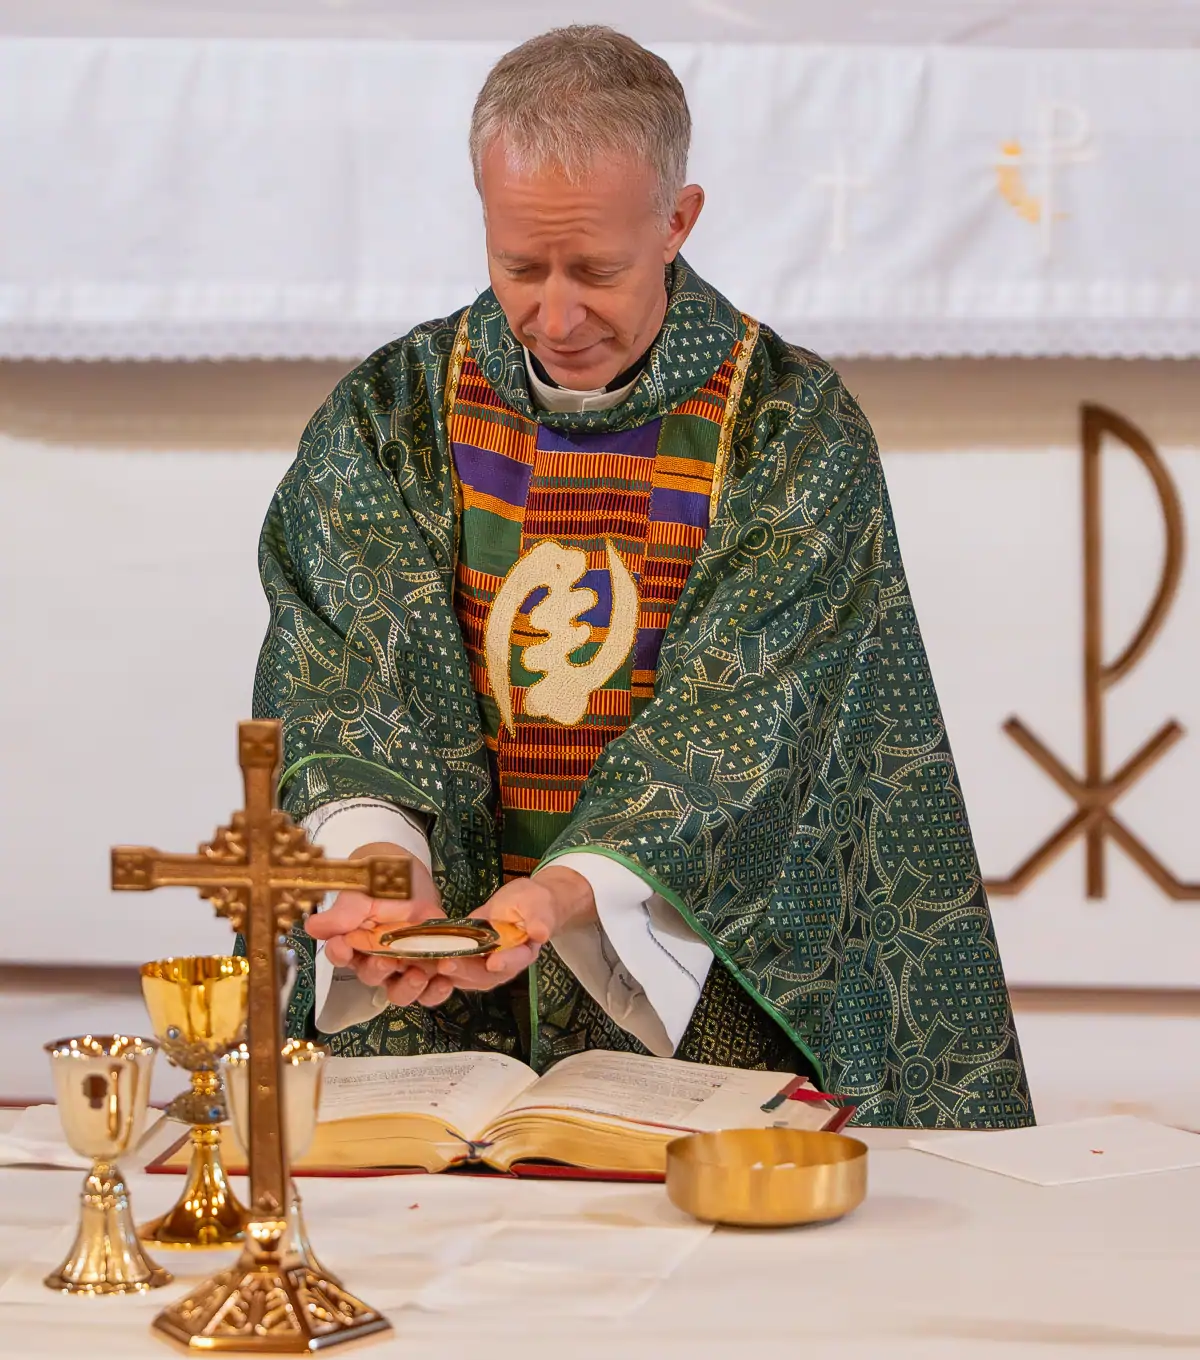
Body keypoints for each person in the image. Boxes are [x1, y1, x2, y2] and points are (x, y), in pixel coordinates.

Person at [255, 24, 1033, 1128]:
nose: (558, 315)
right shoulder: (392, 416)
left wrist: (562, 900)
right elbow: (344, 667)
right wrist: (381, 870)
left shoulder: (785, 429)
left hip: (695, 970)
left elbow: (746, 724)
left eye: (597, 270)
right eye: (521, 266)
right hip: (428, 982)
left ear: (678, 220)